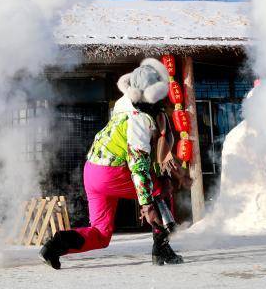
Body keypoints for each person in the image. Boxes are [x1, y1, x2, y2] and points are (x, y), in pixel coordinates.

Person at [39, 58, 185, 269]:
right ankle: (161, 248)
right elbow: (138, 165)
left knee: (100, 234)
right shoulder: (139, 121)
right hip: (111, 173)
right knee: (161, 189)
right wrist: (147, 204)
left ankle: (55, 246)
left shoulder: (122, 103)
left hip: (92, 170)